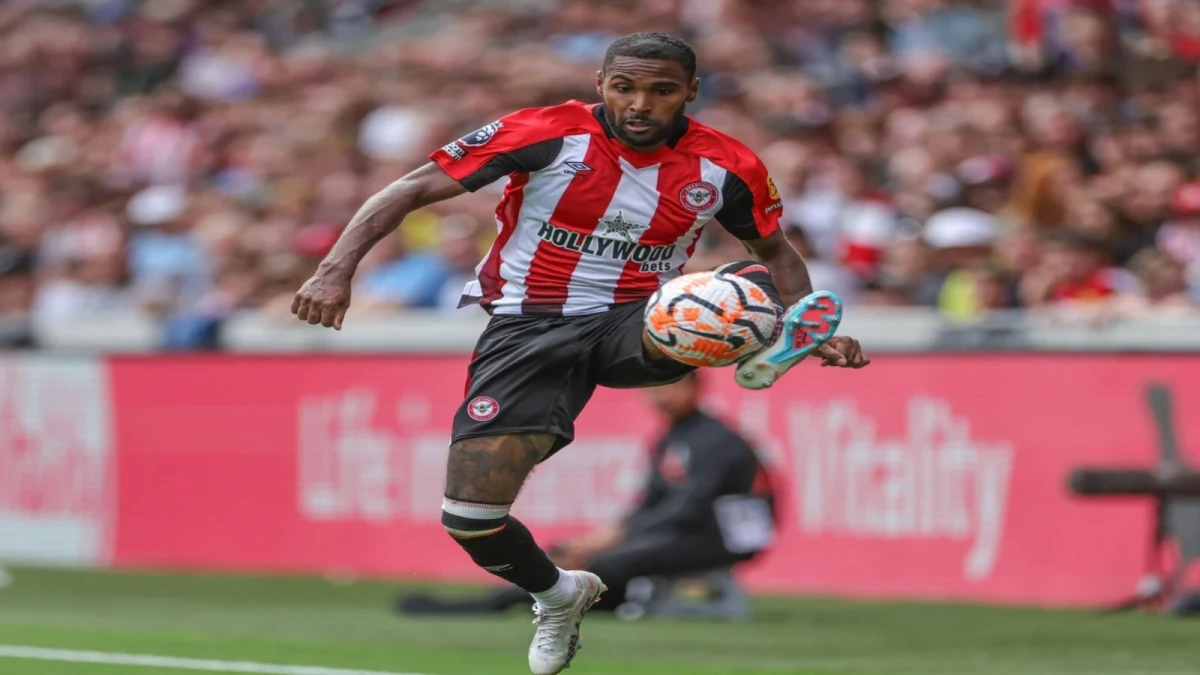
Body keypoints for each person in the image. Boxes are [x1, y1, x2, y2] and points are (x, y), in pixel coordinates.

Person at [292, 32, 870, 675]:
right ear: (601, 85)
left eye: (661, 90)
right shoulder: (544, 132)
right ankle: (559, 594)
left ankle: (765, 337)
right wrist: (334, 270)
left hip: (636, 320)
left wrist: (810, 328)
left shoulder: (727, 166)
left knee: (729, 290)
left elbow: (777, 252)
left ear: (690, 92)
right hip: (529, 327)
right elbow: (408, 189)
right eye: (625, 88)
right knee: (471, 518)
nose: (641, 104)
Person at [397, 370, 776, 616]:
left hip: (727, 536)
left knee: (604, 562)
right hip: (691, 530)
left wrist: (611, 540)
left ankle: (505, 606)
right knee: (573, 554)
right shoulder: (674, 437)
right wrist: (607, 536)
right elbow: (653, 502)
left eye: (668, 384)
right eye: (651, 385)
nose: (655, 393)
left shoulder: (716, 439)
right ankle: (515, 602)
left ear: (693, 387)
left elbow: (689, 507)